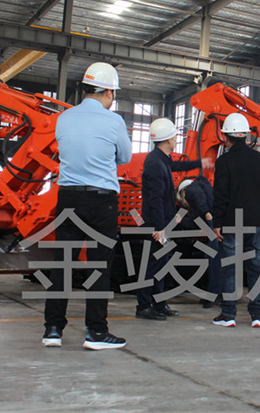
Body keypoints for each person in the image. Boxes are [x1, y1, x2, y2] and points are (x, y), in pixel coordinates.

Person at [43, 62, 131, 351]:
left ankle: (53, 329)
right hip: (101, 200)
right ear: (108, 92)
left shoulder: (64, 118)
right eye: (113, 94)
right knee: (99, 266)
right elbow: (125, 157)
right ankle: (96, 331)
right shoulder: (114, 121)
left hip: (68, 198)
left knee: (63, 264)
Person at [138, 117, 212, 320]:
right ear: (168, 139)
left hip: (164, 222)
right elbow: (155, 199)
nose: (176, 139)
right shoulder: (155, 163)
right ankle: (143, 306)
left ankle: (159, 303)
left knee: (161, 264)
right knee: (153, 265)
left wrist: (200, 163)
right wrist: (160, 228)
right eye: (174, 136)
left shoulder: (161, 159)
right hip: (157, 225)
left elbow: (178, 166)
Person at [211, 113, 260, 329]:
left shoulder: (223, 162)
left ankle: (228, 315)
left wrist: (217, 223)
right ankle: (257, 316)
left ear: (225, 137)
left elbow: (220, 196)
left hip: (232, 222)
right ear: (246, 135)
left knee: (230, 269)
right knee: (256, 269)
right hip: (257, 222)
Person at [175, 177, 221, 308]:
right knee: (213, 260)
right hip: (214, 225)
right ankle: (215, 293)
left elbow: (198, 198)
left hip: (214, 225)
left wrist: (207, 214)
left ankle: (216, 294)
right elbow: (194, 223)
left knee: (214, 261)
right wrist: (181, 221)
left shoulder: (191, 188)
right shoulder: (200, 202)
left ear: (182, 193)